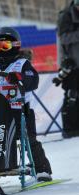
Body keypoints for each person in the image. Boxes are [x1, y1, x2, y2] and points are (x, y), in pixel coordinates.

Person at [0, 27, 52, 182]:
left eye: (5, 46)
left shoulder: (22, 64)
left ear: (15, 45)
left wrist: (19, 77)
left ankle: (42, 169)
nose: (1, 50)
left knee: (29, 140)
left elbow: (33, 80)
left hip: (20, 112)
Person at [55, 0, 79, 137]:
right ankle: (69, 129)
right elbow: (63, 38)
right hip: (70, 64)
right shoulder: (65, 16)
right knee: (71, 96)